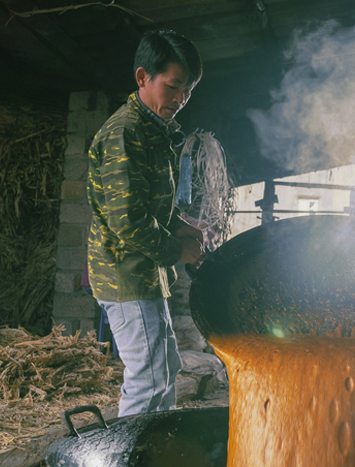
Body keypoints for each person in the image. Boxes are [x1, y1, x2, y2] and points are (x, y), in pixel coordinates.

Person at [86, 30, 206, 416]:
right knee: (148, 378)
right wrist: (177, 249)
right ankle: (129, 455)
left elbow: (151, 203)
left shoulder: (155, 131)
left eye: (187, 91)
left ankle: (156, 449)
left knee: (165, 368)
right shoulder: (126, 133)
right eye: (172, 87)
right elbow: (128, 220)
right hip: (126, 273)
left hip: (144, 272)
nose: (180, 99)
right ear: (143, 77)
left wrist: (179, 224)